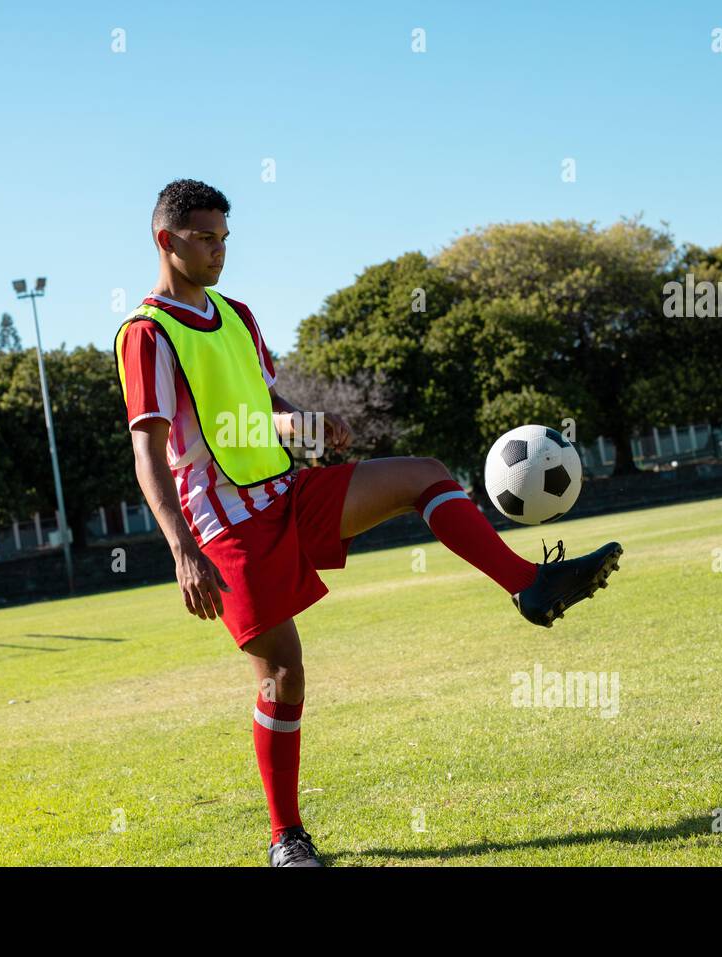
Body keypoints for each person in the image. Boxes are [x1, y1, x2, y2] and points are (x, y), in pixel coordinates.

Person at [114, 180, 621, 866]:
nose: (218, 251)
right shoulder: (146, 333)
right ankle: (285, 837)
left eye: (224, 238)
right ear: (165, 239)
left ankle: (530, 584)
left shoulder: (237, 314)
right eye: (204, 238)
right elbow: (148, 452)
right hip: (226, 528)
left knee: (424, 474)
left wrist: (311, 424)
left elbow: (268, 405)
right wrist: (181, 549)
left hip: (289, 491)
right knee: (283, 676)